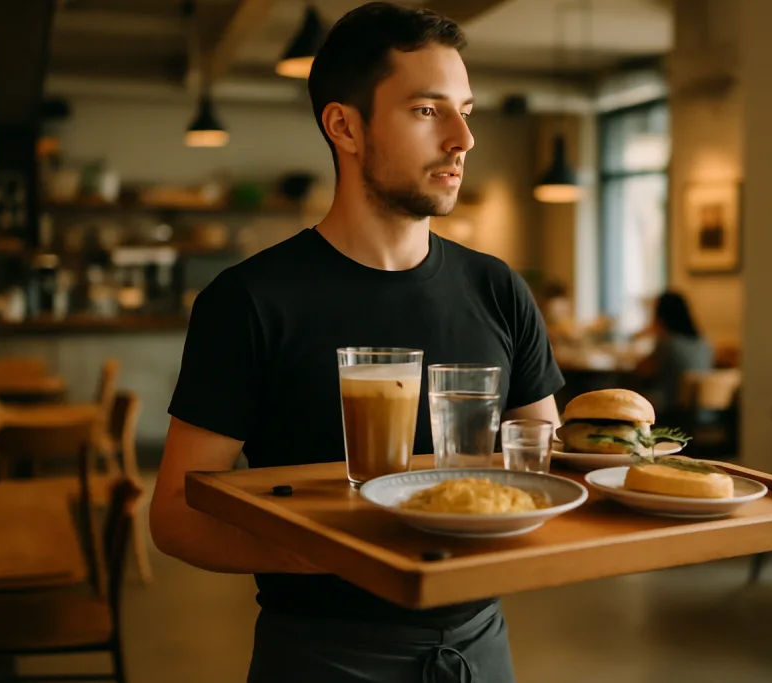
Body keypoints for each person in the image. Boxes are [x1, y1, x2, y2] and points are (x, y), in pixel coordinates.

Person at [149, 4, 564, 681]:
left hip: (480, 648)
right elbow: (173, 516)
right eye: (429, 111)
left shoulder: (499, 289)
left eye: (466, 109)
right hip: (321, 655)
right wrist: (343, 550)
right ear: (344, 125)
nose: (463, 138)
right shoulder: (249, 300)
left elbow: (545, 471)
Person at [633, 290, 714, 418]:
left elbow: (643, 370)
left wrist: (649, 333)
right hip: (706, 412)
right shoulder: (704, 343)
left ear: (661, 315)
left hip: (673, 410)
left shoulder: (668, 343)